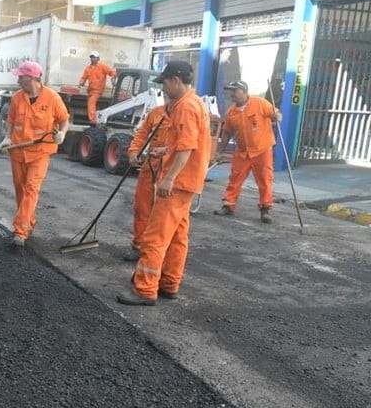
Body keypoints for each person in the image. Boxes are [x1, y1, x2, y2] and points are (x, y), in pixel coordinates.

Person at [116, 61, 209, 306]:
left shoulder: (186, 107)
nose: (164, 89)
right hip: (188, 182)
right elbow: (183, 144)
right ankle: (169, 283)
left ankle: (145, 289)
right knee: (178, 236)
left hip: (177, 183)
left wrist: (169, 178)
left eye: (165, 83)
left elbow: (187, 146)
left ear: (176, 80)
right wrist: (163, 151)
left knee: (155, 236)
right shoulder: (193, 104)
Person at [0, 60, 70, 247]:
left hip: (40, 152)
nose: (18, 80)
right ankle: (28, 221)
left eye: (21, 76)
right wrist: (7, 137)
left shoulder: (52, 98)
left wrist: (61, 133)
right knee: (20, 189)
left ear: (31, 78)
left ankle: (20, 232)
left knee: (31, 188)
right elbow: (11, 120)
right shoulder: (17, 98)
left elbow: (64, 120)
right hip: (18, 151)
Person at [214, 80, 281, 224]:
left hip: (262, 150)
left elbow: (275, 114)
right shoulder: (231, 112)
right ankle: (228, 205)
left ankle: (265, 208)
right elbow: (226, 133)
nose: (232, 94)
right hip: (242, 152)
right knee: (235, 178)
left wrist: (277, 117)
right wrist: (220, 151)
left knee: (265, 180)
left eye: (235, 91)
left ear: (244, 92)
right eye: (230, 91)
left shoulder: (260, 103)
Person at [124, 99, 171, 262]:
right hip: (151, 165)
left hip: (171, 170)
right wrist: (134, 151)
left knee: (164, 214)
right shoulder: (156, 113)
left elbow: (186, 145)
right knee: (141, 207)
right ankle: (138, 245)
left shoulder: (185, 114)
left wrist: (164, 151)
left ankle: (159, 251)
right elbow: (142, 134)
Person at [78, 51, 117, 123]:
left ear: (98, 59)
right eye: (91, 57)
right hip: (90, 91)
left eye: (94, 57)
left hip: (98, 90)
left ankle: (93, 121)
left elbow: (112, 72)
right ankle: (95, 119)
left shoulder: (102, 66)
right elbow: (83, 77)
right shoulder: (88, 68)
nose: (92, 59)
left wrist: (113, 78)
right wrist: (81, 82)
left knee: (91, 103)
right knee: (90, 105)